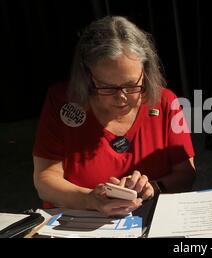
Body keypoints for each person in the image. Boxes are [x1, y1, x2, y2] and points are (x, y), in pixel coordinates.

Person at [33, 16, 195, 216]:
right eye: (108, 87)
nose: (121, 98)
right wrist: (89, 199)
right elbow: (45, 180)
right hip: (78, 222)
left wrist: (153, 187)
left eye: (131, 85)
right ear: (87, 75)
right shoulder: (62, 101)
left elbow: (186, 174)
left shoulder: (165, 102)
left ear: (145, 71)